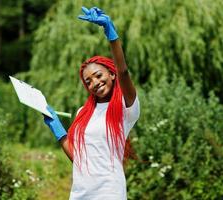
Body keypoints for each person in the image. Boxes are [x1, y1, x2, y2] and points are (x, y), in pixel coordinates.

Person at [43, 6, 140, 200]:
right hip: (80, 194)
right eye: (88, 81)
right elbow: (78, 159)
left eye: (98, 76)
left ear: (111, 74)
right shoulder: (83, 112)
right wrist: (58, 129)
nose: (95, 83)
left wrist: (111, 34)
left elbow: (124, 72)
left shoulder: (125, 107)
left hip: (109, 193)